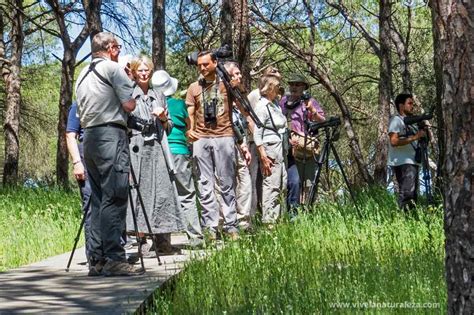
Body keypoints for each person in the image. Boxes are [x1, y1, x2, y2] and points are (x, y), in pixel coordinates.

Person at [75, 32, 142, 276]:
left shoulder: (81, 74)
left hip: (89, 138)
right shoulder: (113, 70)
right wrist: (130, 86)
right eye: (119, 47)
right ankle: (115, 258)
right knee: (114, 196)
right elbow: (129, 105)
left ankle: (97, 259)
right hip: (110, 136)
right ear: (112, 48)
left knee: (98, 198)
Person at [126, 56, 185, 256]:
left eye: (147, 70)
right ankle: (142, 242)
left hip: (158, 148)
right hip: (137, 148)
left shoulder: (159, 95)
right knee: (140, 193)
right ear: (133, 73)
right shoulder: (128, 94)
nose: (144, 74)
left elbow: (169, 127)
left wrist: (162, 118)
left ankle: (163, 242)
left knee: (163, 191)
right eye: (140, 70)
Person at [185, 51, 240, 240]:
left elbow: (242, 106)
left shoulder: (227, 84)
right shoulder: (194, 87)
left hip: (224, 135)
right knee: (205, 183)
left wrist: (237, 87)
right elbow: (190, 111)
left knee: (226, 181)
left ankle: (231, 225)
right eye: (199, 65)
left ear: (215, 63)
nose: (202, 68)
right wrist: (190, 130)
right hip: (201, 138)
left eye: (206, 64)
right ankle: (210, 226)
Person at [151, 69, 204, 247]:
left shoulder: (151, 104)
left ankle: (163, 242)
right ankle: (195, 237)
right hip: (180, 151)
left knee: (162, 195)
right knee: (187, 194)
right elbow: (189, 127)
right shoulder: (180, 105)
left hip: (160, 152)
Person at [279, 74, 325, 210]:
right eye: (292, 84)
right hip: (288, 149)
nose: (294, 87)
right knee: (292, 182)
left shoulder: (311, 101)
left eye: (297, 84)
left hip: (306, 149)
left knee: (308, 183)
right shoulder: (283, 102)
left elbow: (322, 121)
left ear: (304, 87)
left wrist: (312, 110)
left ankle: (306, 211)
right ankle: (290, 211)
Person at [253, 75, 288, 226]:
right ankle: (269, 222)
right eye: (276, 86)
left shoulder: (274, 105)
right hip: (270, 148)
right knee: (271, 185)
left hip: (279, 148)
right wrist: (263, 156)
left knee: (281, 184)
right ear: (269, 88)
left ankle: (278, 219)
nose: (279, 89)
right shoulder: (262, 106)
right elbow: (257, 132)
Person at [247, 67, 282, 217]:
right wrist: (260, 149)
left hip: (273, 144)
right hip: (259, 143)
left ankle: (271, 216)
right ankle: (258, 217)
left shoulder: (275, 102)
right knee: (260, 181)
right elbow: (250, 118)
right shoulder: (257, 97)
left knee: (274, 182)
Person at [388, 93, 426, 210]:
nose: (412, 106)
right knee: (407, 193)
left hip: (413, 162)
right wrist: (415, 137)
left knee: (413, 195)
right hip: (402, 162)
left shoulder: (412, 122)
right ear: (401, 105)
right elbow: (394, 141)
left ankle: (411, 219)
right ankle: (402, 218)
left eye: (412, 104)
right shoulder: (396, 120)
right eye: (409, 103)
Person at [65, 102, 92, 261]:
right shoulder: (78, 105)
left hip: (104, 152)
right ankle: (93, 255)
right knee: (90, 205)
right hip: (84, 154)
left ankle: (112, 253)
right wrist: (77, 162)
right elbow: (70, 135)